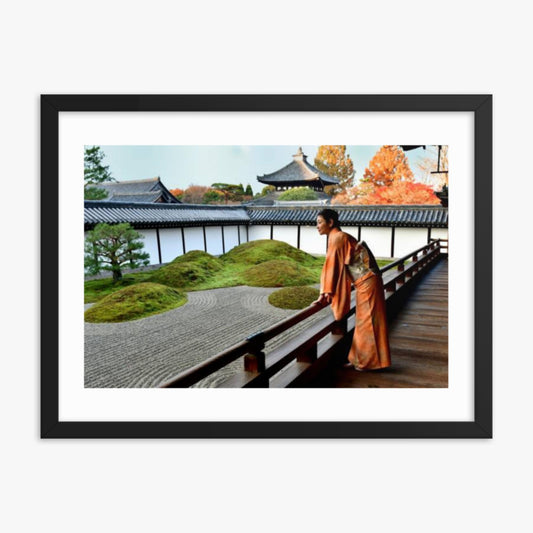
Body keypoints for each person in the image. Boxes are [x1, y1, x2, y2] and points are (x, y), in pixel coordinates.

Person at [314, 208, 391, 371]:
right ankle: (360, 360)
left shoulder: (338, 238)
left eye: (320, 222)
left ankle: (368, 362)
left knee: (367, 322)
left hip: (367, 281)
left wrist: (325, 292)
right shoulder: (337, 237)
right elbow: (332, 266)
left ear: (330, 222)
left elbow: (332, 267)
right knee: (364, 322)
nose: (317, 226)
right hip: (366, 281)